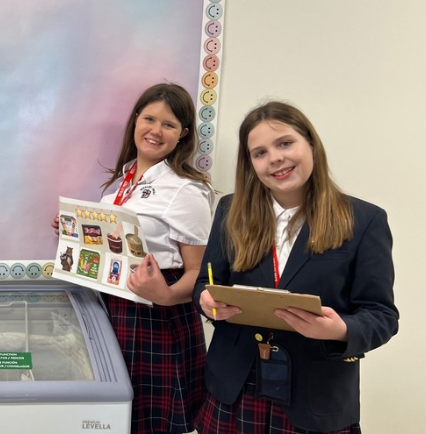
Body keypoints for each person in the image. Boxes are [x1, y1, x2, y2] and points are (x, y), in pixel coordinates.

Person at [193, 101, 399, 433]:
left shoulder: (365, 221)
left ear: (311, 144)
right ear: (250, 165)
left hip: (315, 399)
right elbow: (205, 282)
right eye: (259, 153)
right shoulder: (231, 210)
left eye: (285, 143)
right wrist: (206, 301)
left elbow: (382, 316)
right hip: (235, 388)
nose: (274, 157)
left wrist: (340, 330)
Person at [52, 83, 214, 433]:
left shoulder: (186, 191)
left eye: (169, 125)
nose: (156, 131)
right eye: (149, 118)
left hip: (158, 316)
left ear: (183, 134)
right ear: (136, 121)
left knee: (152, 422)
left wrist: (167, 295)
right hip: (116, 309)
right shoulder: (122, 182)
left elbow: (201, 272)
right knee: (119, 417)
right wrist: (73, 232)